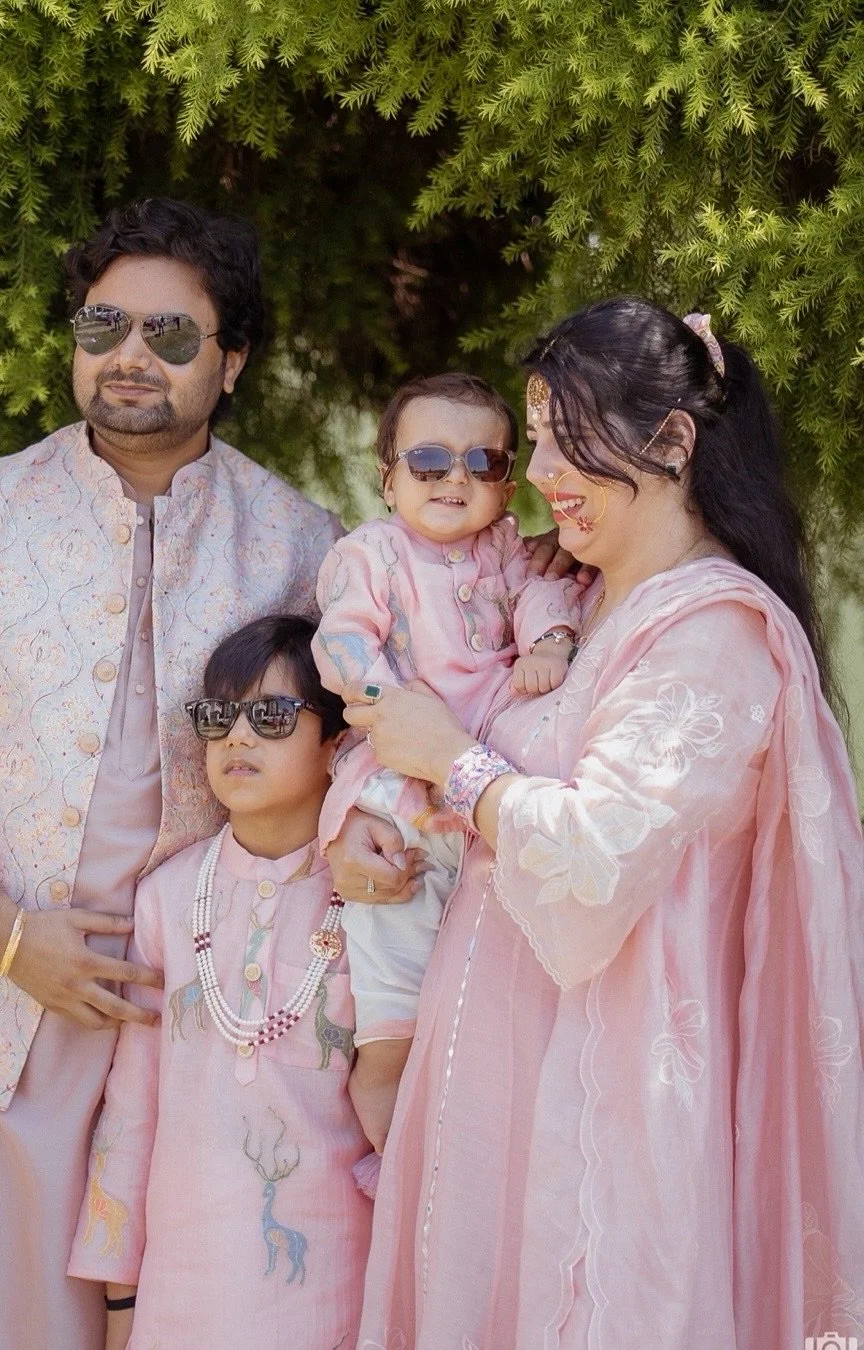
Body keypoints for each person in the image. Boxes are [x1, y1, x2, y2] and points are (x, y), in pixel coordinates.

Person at [0, 198, 344, 1350]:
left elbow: (344, 754)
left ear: (232, 361)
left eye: (171, 333)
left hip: (195, 1034)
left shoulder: (301, 544)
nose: (129, 356)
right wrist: (11, 939)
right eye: (104, 325)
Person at [330, 300, 864, 1347]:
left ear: (672, 441)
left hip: (600, 1111)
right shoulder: (575, 600)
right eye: (534, 439)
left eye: (566, 440)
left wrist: (452, 759)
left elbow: (596, 856)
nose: (537, 473)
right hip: (492, 1095)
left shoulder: (711, 632)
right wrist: (363, 812)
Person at [68, 615, 372, 1350]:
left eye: (271, 717)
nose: (238, 737)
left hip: (339, 1281)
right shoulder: (167, 898)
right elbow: (131, 1109)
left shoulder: (374, 896)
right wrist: (119, 1298)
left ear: (336, 744)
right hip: (181, 1288)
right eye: (218, 717)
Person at [311, 372, 582, 1154]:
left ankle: (455, 1170)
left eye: (481, 462)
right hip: (399, 798)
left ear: (506, 484)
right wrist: (389, 704)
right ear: (387, 478)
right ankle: (390, 1151)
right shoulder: (372, 554)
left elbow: (545, 597)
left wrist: (550, 643)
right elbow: (343, 639)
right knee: (394, 1004)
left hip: (480, 791)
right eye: (428, 461)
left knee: (468, 1005)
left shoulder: (507, 550)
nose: (453, 478)